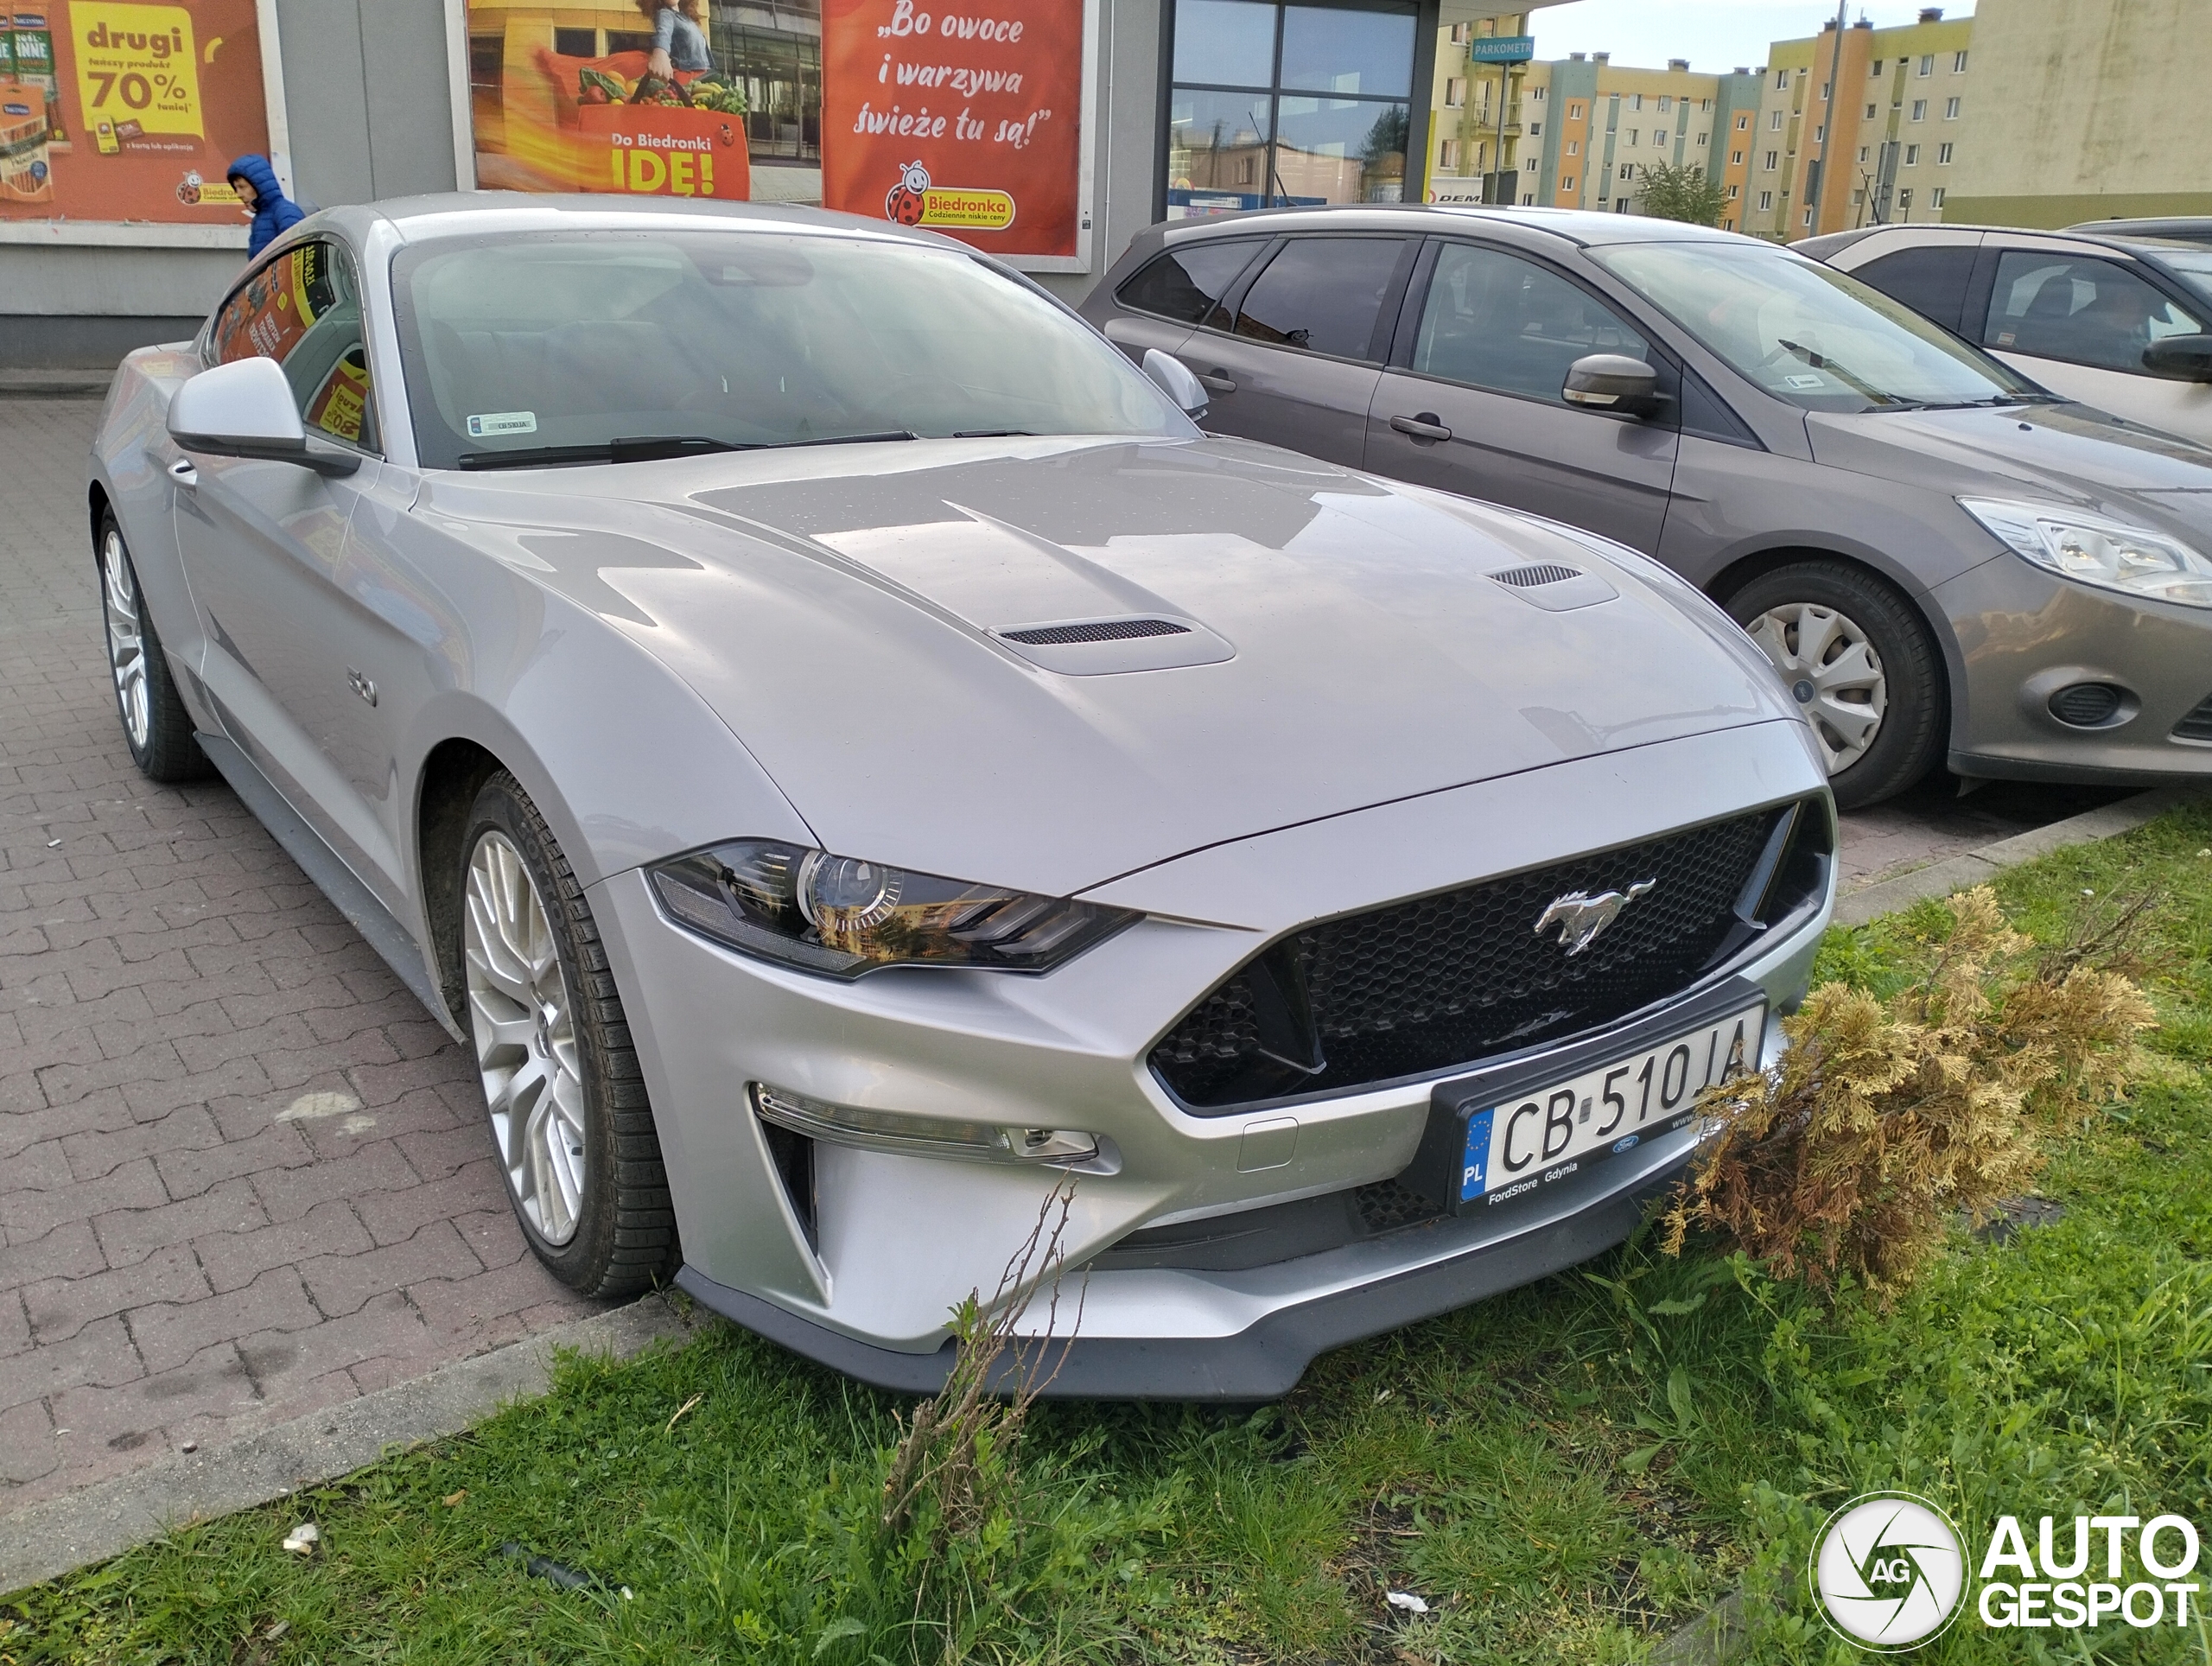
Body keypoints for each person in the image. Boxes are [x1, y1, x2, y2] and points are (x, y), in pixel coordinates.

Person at [226, 154, 305, 258]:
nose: (239, 194)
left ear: (259, 185)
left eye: (242, 187)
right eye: (236, 188)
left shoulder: (285, 212)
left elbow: (299, 255)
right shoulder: (259, 219)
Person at [639, 0, 711, 80]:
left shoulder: (686, 18)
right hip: (687, 77)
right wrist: (660, 53)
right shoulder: (665, 14)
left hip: (702, 75)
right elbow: (663, 33)